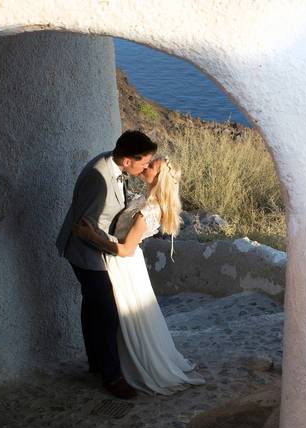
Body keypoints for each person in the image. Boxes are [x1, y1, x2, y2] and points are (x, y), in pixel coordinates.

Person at [74, 157, 206, 394]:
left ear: (159, 177)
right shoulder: (146, 200)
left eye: (150, 166)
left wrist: (89, 235)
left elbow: (126, 249)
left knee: (119, 315)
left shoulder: (147, 212)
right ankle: (103, 363)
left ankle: (122, 368)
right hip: (125, 265)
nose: (145, 167)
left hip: (123, 265)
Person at [55, 131, 157, 399]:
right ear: (126, 160)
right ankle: (111, 377)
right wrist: (117, 249)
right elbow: (86, 227)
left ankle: (96, 363)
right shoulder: (98, 179)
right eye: (144, 162)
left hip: (94, 249)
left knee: (92, 306)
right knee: (107, 312)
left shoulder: (114, 166)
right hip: (86, 254)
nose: (146, 167)